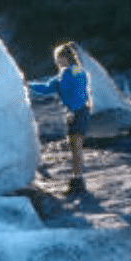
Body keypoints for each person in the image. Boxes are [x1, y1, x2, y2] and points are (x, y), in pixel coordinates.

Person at [29, 41, 92, 195]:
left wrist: (73, 111)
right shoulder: (62, 75)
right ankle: (77, 180)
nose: (56, 60)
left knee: (76, 148)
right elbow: (46, 88)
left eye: (58, 57)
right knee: (74, 148)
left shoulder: (76, 70)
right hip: (74, 113)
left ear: (66, 57)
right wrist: (26, 84)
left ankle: (78, 182)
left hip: (79, 112)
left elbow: (79, 90)